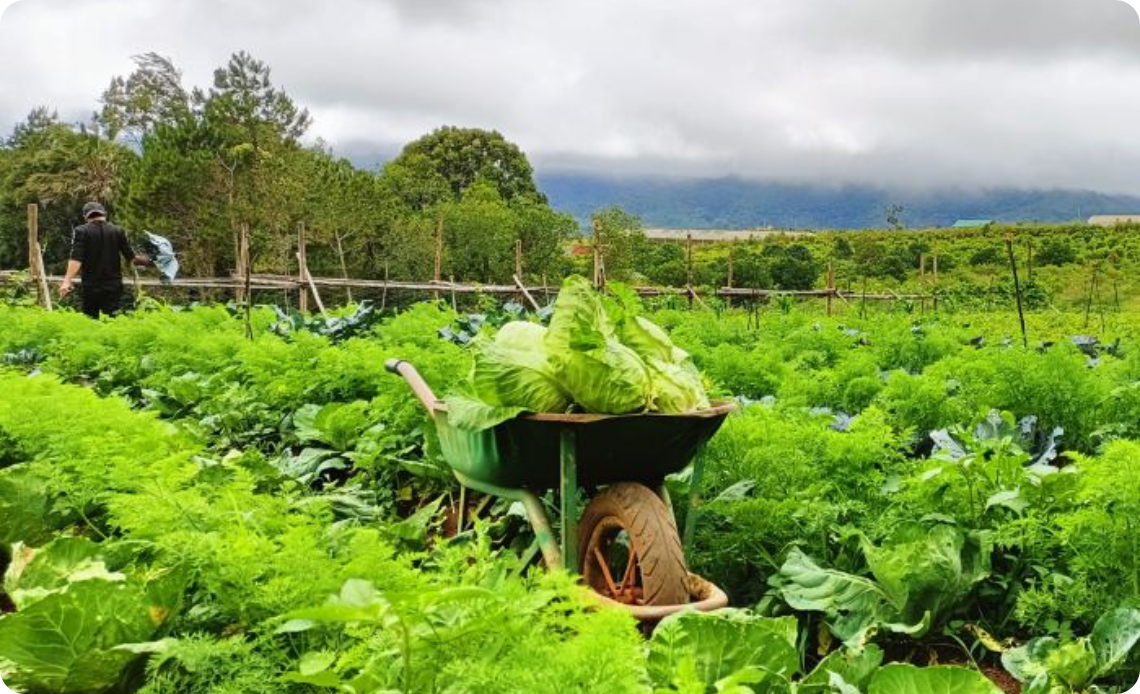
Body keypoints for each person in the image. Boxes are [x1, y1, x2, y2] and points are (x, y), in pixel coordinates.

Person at [59, 202, 152, 318]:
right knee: (112, 320)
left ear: (85, 217)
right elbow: (132, 259)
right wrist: (151, 261)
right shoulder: (118, 231)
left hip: (91, 285)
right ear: (104, 214)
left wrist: (67, 280)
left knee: (90, 320)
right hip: (113, 285)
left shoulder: (81, 231)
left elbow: (76, 258)